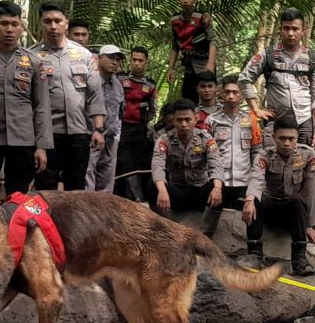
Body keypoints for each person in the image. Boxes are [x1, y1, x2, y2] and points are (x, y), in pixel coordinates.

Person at [0, 1, 51, 213]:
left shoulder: (33, 61)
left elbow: (42, 106)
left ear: (21, 26)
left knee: (18, 196)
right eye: (4, 23)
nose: (9, 29)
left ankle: (14, 231)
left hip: (22, 139)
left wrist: (42, 146)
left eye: (14, 24)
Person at [30, 1, 105, 192]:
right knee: (45, 188)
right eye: (47, 21)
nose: (53, 26)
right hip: (46, 136)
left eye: (57, 21)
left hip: (78, 133)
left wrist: (98, 129)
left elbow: (95, 94)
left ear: (66, 23)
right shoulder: (31, 56)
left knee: (76, 188)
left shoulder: (84, 55)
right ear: (41, 23)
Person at [245, 115, 315, 275]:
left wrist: (309, 225)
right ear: (274, 137)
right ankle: (254, 253)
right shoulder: (264, 155)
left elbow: (311, 191)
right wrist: (250, 200)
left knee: (296, 199)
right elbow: (256, 179)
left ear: (297, 137)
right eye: (282, 138)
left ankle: (299, 259)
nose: (287, 143)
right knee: (256, 199)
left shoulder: (307, 154)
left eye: (291, 139)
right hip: (269, 208)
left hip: (292, 212)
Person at [238, 8, 315, 147]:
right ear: (280, 29)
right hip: (276, 121)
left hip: (304, 122)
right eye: (286, 28)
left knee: (302, 159)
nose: (290, 33)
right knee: (271, 158)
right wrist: (256, 109)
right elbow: (244, 79)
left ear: (303, 30)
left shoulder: (312, 58)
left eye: (295, 29)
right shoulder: (268, 54)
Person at [200, 75, 261, 237]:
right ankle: (203, 242)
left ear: (242, 95)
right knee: (211, 206)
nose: (231, 96)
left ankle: (254, 248)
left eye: (235, 92)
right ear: (221, 94)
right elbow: (204, 152)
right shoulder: (211, 120)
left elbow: (256, 151)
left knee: (254, 206)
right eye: (227, 92)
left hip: (244, 182)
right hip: (219, 181)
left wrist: (255, 180)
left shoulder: (251, 119)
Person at [150, 98, 221, 214]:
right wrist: (162, 190)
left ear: (196, 119)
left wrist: (217, 188)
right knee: (153, 185)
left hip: (200, 190)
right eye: (179, 120)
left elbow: (216, 165)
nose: (183, 124)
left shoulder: (206, 139)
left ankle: (208, 225)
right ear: (173, 120)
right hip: (176, 191)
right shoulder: (164, 140)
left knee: (219, 185)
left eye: (188, 120)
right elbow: (157, 166)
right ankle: (161, 221)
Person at [116, 45, 157, 201]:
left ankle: (138, 197)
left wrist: (145, 121)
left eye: (140, 60)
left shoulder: (151, 85)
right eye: (134, 60)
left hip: (140, 129)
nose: (137, 63)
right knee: (125, 161)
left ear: (146, 62)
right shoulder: (120, 78)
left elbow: (153, 108)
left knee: (138, 162)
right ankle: (134, 197)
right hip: (122, 127)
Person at [167, 0, 215, 104]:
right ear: (179, 0)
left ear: (194, 0)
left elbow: (213, 40)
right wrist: (170, 68)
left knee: (208, 97)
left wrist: (210, 63)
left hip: (203, 63)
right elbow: (175, 45)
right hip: (188, 65)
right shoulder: (175, 20)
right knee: (188, 99)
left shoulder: (203, 17)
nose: (185, 1)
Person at [89, 44, 125, 192]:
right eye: (110, 58)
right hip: (92, 137)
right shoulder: (90, 80)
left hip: (111, 138)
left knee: (107, 178)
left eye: (117, 59)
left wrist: (117, 136)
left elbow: (120, 112)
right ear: (99, 58)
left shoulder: (118, 85)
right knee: (88, 176)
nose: (114, 62)